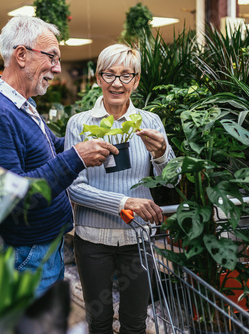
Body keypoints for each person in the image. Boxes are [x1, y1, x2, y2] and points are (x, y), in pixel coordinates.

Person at [0, 16, 118, 297]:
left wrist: (86, 138)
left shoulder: (23, 104)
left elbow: (49, 148)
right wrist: (76, 157)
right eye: (52, 56)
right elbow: (14, 196)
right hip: (25, 257)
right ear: (22, 55)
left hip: (42, 249)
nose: (57, 68)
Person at [64, 44, 177, 334]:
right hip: (92, 240)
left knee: (135, 322)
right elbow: (75, 189)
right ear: (98, 78)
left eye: (126, 75)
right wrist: (125, 202)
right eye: (109, 74)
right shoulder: (79, 124)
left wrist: (162, 154)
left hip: (138, 239)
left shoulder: (151, 123)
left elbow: (170, 181)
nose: (117, 83)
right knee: (99, 322)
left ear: (136, 81)